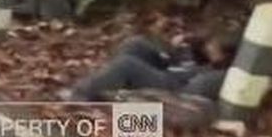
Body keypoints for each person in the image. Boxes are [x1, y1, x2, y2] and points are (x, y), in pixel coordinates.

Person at [62, 32, 238, 102]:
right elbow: (187, 52)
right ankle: (105, 87)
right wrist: (186, 41)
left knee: (127, 64)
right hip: (170, 69)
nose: (209, 47)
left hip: (173, 87)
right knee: (135, 44)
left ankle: (79, 95)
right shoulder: (203, 55)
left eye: (214, 48)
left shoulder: (218, 74)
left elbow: (192, 90)